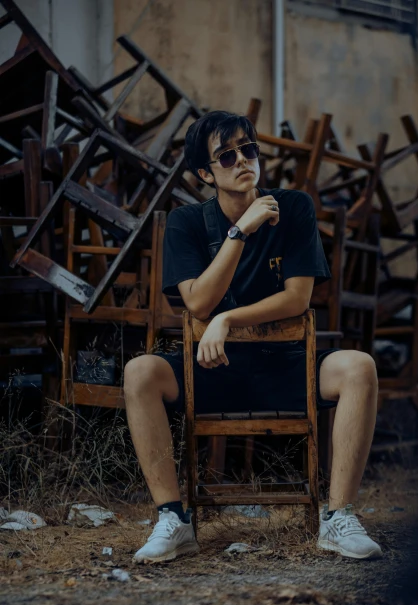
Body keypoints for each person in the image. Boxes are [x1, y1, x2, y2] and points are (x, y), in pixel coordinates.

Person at [124, 110, 382, 564]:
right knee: (140, 371)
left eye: (249, 149)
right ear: (205, 173)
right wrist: (240, 231)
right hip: (209, 369)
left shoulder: (293, 207)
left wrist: (229, 320)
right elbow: (199, 303)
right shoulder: (186, 223)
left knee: (359, 366)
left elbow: (297, 299)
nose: (243, 160)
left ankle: (338, 516)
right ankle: (172, 519)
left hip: (287, 365)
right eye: (227, 156)